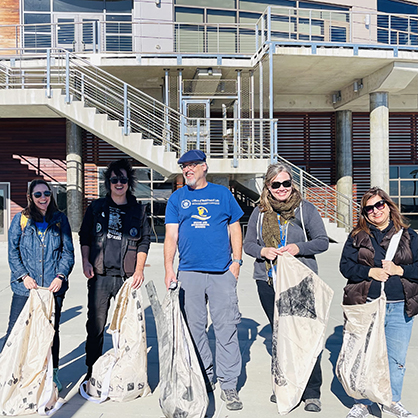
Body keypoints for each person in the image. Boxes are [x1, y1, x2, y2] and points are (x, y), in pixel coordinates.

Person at [243, 162, 329, 412]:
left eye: (286, 183)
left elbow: (322, 241)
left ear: (293, 184)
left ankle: (312, 391)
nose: (282, 188)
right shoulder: (259, 213)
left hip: (300, 282)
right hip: (268, 281)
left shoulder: (306, 210)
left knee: (305, 336)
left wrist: (298, 248)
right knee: (280, 337)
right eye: (276, 184)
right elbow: (249, 244)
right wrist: (262, 250)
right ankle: (286, 385)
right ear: (268, 187)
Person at [164, 149, 244, 411]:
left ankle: (229, 384)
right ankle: (205, 376)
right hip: (189, 273)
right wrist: (169, 268)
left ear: (204, 167)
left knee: (226, 329)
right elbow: (171, 237)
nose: (187, 170)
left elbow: (235, 228)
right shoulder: (177, 199)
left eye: (192, 166)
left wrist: (237, 262)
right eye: (184, 166)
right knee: (195, 329)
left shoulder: (222, 194)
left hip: (222, 273)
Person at [340, 187, 418, 418]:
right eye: (369, 208)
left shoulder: (409, 236)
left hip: (399, 305)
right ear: (364, 212)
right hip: (366, 304)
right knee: (362, 354)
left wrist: (399, 269)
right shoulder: (357, 236)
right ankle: (362, 402)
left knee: (395, 357)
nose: (376, 211)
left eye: (379, 205)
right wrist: (370, 272)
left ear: (388, 205)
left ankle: (391, 400)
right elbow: (345, 267)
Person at [79, 159, 151, 380]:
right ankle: (92, 371)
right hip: (100, 276)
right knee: (96, 326)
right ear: (108, 183)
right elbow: (85, 236)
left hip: (125, 278)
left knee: (125, 328)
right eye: (114, 180)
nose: (118, 183)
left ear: (129, 182)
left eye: (122, 179)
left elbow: (144, 241)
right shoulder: (97, 207)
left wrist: (139, 270)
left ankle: (122, 371)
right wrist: (85, 261)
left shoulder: (138, 210)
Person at [7, 179, 74, 391]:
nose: (43, 198)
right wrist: (23, 276)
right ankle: (13, 373)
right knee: (16, 332)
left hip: (51, 289)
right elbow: (13, 252)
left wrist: (60, 275)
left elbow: (68, 252)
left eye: (46, 193)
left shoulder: (60, 219)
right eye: (38, 195)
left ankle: (51, 374)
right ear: (30, 197)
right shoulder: (21, 220)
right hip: (25, 289)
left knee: (50, 333)